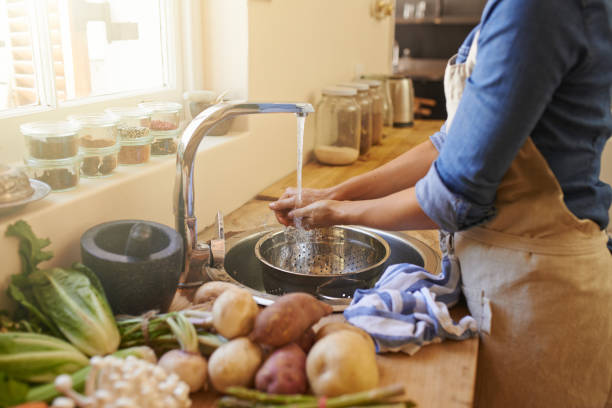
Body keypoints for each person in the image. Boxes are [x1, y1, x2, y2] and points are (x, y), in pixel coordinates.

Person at [270, 0, 612, 406]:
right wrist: (334, 193)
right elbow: (450, 145)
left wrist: (338, 213)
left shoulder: (535, 9)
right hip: (514, 279)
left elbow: (456, 195)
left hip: (540, 301)